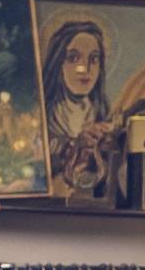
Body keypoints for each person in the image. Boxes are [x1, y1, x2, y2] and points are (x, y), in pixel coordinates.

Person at [41, 21, 114, 190]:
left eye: (94, 59)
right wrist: (73, 146)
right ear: (58, 63)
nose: (85, 69)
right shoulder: (43, 115)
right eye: (74, 58)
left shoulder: (102, 113)